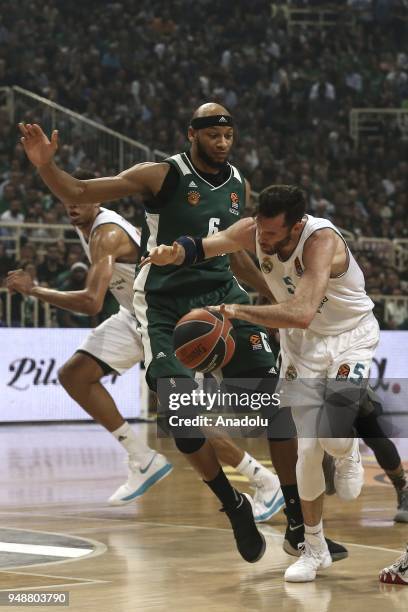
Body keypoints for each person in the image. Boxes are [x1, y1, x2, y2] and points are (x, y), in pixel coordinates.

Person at [17, 106, 346, 564]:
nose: (223, 141)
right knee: (183, 418)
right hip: (166, 307)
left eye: (229, 134)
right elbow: (79, 190)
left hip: (222, 300)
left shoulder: (237, 184)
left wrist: (272, 293)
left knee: (274, 408)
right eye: (213, 133)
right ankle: (234, 505)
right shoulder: (161, 175)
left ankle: (297, 524)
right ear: (192, 134)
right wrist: (45, 165)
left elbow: (233, 251)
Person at [143, 183, 380, 581]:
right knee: (306, 450)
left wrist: (238, 310)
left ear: (296, 226)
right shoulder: (255, 230)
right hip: (302, 348)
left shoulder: (321, 241)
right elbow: (206, 244)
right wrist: (175, 252)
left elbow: (303, 311)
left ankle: (347, 449)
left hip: (348, 339)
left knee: (334, 439)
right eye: (261, 232)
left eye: (272, 235)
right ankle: (312, 547)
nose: (263, 242)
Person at [6, 170, 281, 514]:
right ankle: (141, 457)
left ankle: (264, 482)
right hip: (132, 313)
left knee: (183, 415)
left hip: (162, 315)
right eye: (68, 200)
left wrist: (35, 291)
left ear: (99, 199)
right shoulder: (89, 228)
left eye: (81, 198)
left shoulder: (106, 234)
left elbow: (92, 302)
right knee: (74, 374)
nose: (73, 206)